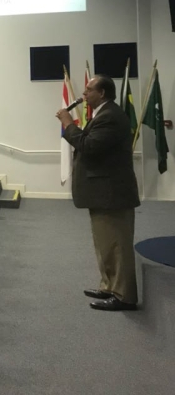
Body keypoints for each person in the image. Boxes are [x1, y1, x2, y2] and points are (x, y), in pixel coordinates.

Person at [57, 75, 140, 311]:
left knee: (116, 245)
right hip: (103, 192)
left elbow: (89, 146)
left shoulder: (111, 116)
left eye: (88, 90)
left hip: (111, 193)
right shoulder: (104, 114)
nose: (84, 95)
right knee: (105, 244)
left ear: (102, 93)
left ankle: (124, 295)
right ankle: (109, 286)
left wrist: (68, 123)